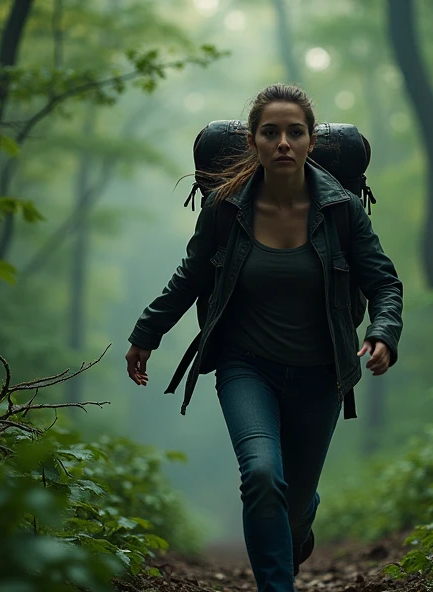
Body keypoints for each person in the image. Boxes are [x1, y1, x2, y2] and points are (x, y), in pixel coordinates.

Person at [124, 83, 403, 592]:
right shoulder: (226, 209)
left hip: (320, 373)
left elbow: (383, 280)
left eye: (294, 132)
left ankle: (296, 523)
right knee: (261, 475)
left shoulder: (342, 211)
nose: (282, 143)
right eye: (269, 132)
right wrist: (147, 332)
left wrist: (384, 332)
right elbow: (190, 277)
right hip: (245, 366)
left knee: (293, 504)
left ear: (310, 142)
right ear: (252, 140)